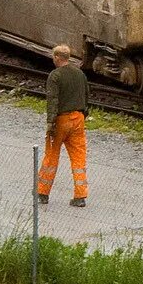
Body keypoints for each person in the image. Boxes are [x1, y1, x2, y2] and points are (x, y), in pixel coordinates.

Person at [38, 44, 89, 206]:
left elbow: (52, 101)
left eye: (53, 57)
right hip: (78, 119)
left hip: (61, 120)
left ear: (57, 57)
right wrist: (83, 114)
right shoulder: (80, 74)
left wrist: (50, 123)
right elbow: (86, 96)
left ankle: (42, 193)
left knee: (51, 156)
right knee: (79, 158)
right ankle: (80, 196)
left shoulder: (55, 76)